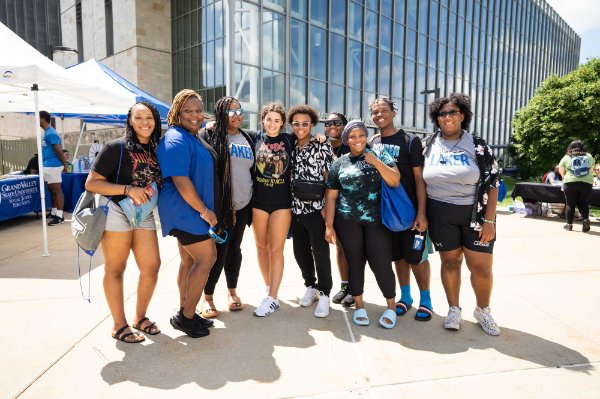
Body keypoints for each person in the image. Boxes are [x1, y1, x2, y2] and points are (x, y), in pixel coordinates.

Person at [423, 93, 501, 336]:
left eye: (452, 112)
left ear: (463, 115)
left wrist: (489, 220)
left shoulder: (477, 144)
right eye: (442, 113)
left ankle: (483, 310)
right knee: (450, 261)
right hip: (440, 212)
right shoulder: (427, 144)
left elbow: (493, 182)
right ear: (436, 118)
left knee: (481, 266)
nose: (447, 117)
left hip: (475, 213)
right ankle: (454, 308)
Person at [85, 101, 163, 343]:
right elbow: (92, 183)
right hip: (117, 210)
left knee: (151, 266)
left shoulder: (157, 149)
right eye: (138, 117)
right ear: (130, 121)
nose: (144, 122)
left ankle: (140, 318)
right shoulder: (115, 148)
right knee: (116, 268)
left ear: (156, 120)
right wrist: (128, 189)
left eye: (148, 117)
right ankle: (119, 325)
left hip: (144, 213)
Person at [324, 120, 401, 329]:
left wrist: (374, 161)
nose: (357, 140)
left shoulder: (380, 155)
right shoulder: (339, 163)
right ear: (346, 139)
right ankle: (359, 305)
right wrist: (329, 226)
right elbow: (331, 197)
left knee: (381, 263)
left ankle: (391, 306)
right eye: (352, 136)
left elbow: (395, 180)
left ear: (366, 136)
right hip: (347, 221)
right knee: (354, 263)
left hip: (377, 221)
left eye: (360, 135)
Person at [158, 89, 219, 338]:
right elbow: (182, 182)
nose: (194, 115)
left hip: (190, 209)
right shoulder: (175, 138)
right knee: (207, 259)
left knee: (189, 261)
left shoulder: (191, 136)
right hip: (186, 210)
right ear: (177, 112)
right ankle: (186, 316)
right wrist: (205, 211)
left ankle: (186, 311)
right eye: (187, 111)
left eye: (197, 111)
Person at [369, 98, 433, 322]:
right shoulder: (373, 141)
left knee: (417, 256)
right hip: (387, 213)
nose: (379, 115)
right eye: (375, 112)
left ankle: (426, 299)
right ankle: (405, 298)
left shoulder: (410, 140)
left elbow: (419, 178)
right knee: (398, 256)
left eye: (383, 111)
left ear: (393, 113)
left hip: (410, 211)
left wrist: (422, 212)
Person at [199, 96, 256, 318]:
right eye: (231, 112)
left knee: (234, 251)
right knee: (217, 253)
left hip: (242, 205)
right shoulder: (210, 135)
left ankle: (232, 292)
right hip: (219, 208)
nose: (237, 115)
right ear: (221, 113)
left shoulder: (248, 138)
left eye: (239, 110)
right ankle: (208, 297)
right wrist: (207, 127)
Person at [289, 104, 334, 318]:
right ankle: (311, 285)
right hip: (295, 210)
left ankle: (325, 292)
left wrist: (327, 206)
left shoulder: (321, 147)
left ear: (312, 125)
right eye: (296, 124)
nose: (300, 127)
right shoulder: (289, 146)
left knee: (320, 252)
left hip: (316, 209)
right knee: (300, 252)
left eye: (305, 124)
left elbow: (330, 178)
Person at [251, 102, 293, 317]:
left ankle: (273, 298)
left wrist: (319, 137)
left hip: (282, 204)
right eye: (269, 119)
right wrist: (210, 126)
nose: (272, 123)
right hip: (259, 203)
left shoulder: (289, 140)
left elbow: (308, 140)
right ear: (263, 120)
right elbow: (230, 134)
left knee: (276, 250)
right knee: (261, 247)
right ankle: (269, 288)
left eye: (277, 120)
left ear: (283, 123)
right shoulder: (253, 138)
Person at [324, 112, 353, 307]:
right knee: (340, 248)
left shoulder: (351, 147)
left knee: (352, 249)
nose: (332, 126)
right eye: (328, 123)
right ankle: (344, 286)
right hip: (329, 205)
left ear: (344, 125)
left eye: (337, 122)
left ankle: (355, 287)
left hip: (350, 206)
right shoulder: (321, 147)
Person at [558, 140, 596, 232]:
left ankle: (569, 225)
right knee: (583, 203)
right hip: (586, 183)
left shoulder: (567, 157)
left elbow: (561, 169)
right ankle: (586, 219)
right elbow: (591, 169)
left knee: (570, 204)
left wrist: (565, 177)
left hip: (570, 182)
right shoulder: (589, 156)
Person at [40, 111, 68, 225]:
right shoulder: (46, 133)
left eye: (37, 118)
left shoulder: (51, 133)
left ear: (42, 119)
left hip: (54, 166)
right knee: (52, 190)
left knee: (57, 190)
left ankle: (60, 216)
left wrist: (65, 164)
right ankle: (54, 212)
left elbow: (59, 151)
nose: (36, 121)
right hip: (48, 165)